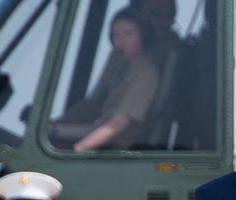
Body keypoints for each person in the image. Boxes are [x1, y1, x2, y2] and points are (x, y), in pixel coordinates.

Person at [48, 9, 159, 152]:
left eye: (128, 34)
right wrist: (53, 126)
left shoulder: (145, 74)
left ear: (144, 36)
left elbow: (118, 125)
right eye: (115, 35)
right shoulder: (118, 61)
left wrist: (77, 149)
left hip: (115, 147)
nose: (120, 42)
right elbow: (92, 104)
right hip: (100, 130)